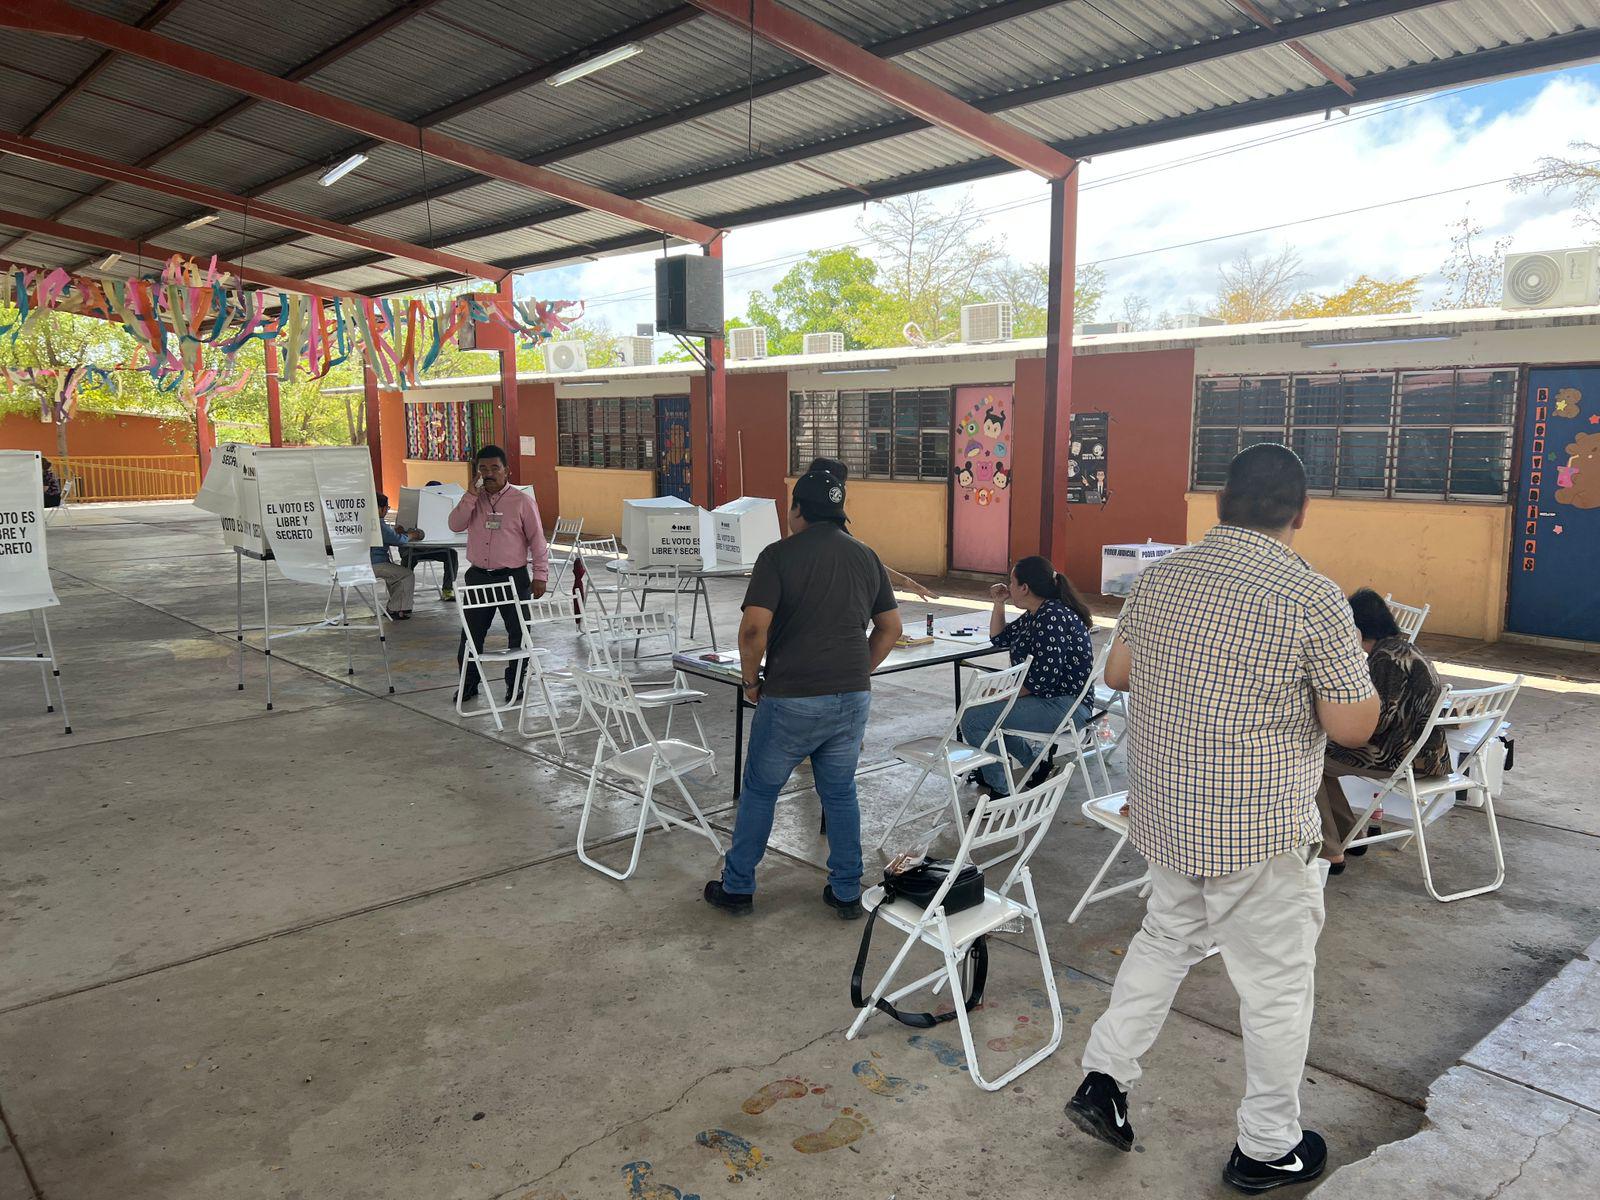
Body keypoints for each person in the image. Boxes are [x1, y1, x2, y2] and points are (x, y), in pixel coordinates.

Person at [1065, 443, 1379, 1194]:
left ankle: (1104, 1079)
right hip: (1260, 832)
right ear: (1301, 513)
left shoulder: (1163, 576)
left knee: (1166, 939)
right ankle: (1268, 1147)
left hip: (1172, 815)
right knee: (1275, 990)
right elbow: (1353, 728)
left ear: (1219, 505)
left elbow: (1116, 673)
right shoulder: (1313, 597)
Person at [704, 467, 902, 920]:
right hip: (851, 697)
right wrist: (856, 670)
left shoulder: (778, 556)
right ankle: (847, 892)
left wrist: (751, 681)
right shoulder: (867, 556)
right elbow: (891, 628)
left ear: (798, 511)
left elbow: (754, 628)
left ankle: (738, 888)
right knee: (839, 792)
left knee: (760, 791)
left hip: (791, 696)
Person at [1317, 588, 1449, 873]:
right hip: (1425, 754)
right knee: (1321, 757)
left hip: (1403, 758)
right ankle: (1350, 837)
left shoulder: (1385, 660)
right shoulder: (1406, 649)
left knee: (1309, 762)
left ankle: (1330, 851)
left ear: (1357, 627)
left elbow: (1372, 724)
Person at [959, 556, 1095, 796]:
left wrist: (1004, 695)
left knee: (973, 718)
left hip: (1066, 705)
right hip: (1053, 698)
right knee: (985, 711)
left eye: (1011, 583)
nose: (1008, 588)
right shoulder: (1039, 611)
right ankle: (1036, 765)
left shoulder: (1051, 616)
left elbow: (1044, 678)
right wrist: (998, 603)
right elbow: (999, 638)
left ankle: (1002, 791)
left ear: (1024, 587)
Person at [447, 445, 548, 704]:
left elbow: (537, 540)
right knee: (470, 635)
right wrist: (470, 496)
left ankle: (514, 685)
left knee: (519, 634)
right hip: (478, 577)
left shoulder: (522, 501)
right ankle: (468, 685)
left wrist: (540, 574)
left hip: (513, 578)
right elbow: (455, 525)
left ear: (507, 471)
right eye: (483, 468)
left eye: (495, 468)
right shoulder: (473, 500)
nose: (489, 473)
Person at [805, 457, 938, 601]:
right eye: (843, 484)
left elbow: (866, 559)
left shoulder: (831, 526)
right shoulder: (826, 530)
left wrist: (907, 582)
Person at [401, 480, 459, 601]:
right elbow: (404, 530)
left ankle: (447, 589)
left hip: (433, 547)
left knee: (451, 554)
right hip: (413, 547)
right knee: (408, 559)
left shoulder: (442, 509)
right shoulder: (413, 507)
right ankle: (403, 593)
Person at [372, 493, 424, 620]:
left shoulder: (363, 520)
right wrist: (412, 535)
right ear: (380, 508)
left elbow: (390, 535)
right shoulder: (377, 523)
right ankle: (397, 609)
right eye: (386, 508)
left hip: (362, 563)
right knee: (406, 574)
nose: (386, 511)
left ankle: (396, 606)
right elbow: (398, 540)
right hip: (375, 564)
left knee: (395, 574)